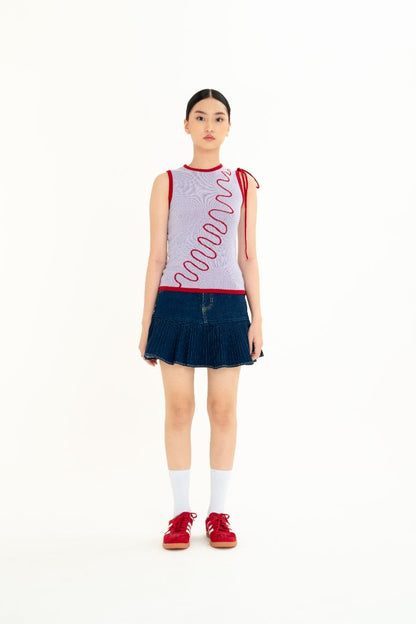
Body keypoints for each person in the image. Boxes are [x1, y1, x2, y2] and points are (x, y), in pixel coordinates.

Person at [138, 88, 264, 549]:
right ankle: (179, 514)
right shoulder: (166, 182)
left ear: (229, 127)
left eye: (218, 117)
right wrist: (147, 324)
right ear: (186, 124)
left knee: (223, 410)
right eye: (200, 116)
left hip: (229, 307)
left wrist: (257, 317)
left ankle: (219, 513)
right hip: (175, 305)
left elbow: (247, 255)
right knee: (178, 409)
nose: (209, 125)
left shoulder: (243, 183)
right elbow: (157, 256)